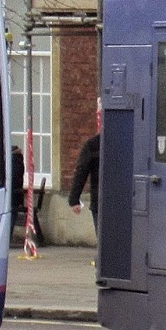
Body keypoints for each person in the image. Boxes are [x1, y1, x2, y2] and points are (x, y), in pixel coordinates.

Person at [68, 104, 101, 249]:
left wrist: (74, 199)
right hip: (120, 200)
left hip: (100, 200)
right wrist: (74, 198)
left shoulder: (93, 145)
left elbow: (81, 171)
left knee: (103, 241)